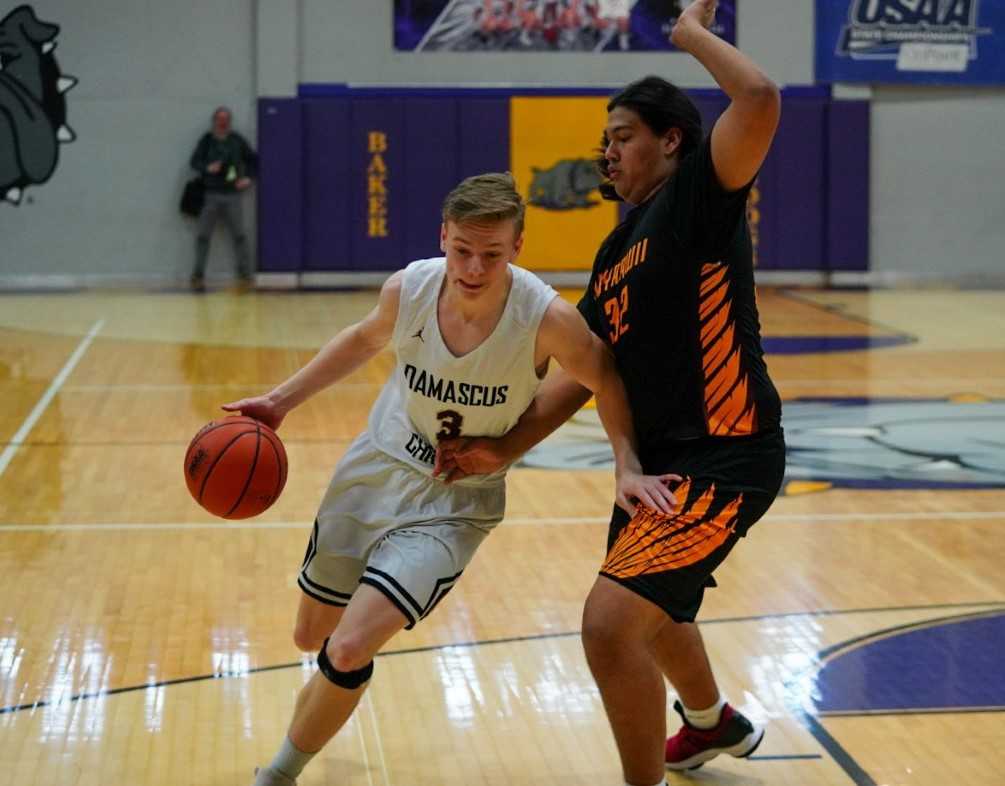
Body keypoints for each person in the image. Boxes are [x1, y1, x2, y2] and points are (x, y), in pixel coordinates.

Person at [226, 172, 677, 786]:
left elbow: (608, 378)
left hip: (456, 502)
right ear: (443, 235)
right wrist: (280, 402)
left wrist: (627, 464)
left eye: (491, 254)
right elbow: (362, 341)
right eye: (462, 249)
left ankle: (278, 773)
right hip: (376, 467)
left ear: (518, 246)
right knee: (313, 636)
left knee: (351, 646)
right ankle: (328, 689)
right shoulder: (408, 289)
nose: (473, 266)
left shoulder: (545, 318)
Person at [435, 2, 784, 784]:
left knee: (608, 626)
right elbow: (586, 374)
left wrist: (688, 33)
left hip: (726, 456)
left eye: (622, 134)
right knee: (655, 615)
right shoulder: (614, 249)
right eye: (605, 139)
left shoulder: (700, 192)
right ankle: (708, 724)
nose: (608, 150)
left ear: (669, 139)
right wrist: (502, 449)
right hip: (658, 461)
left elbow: (758, 100)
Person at [188, 106, 257, 291]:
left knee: (240, 235)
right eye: (219, 118)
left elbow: (253, 160)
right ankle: (198, 276)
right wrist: (207, 168)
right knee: (203, 235)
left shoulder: (237, 140)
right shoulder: (207, 140)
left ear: (230, 121)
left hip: (233, 194)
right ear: (214, 121)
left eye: (226, 118)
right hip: (211, 194)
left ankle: (246, 275)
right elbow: (194, 162)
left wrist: (248, 179)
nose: (223, 121)